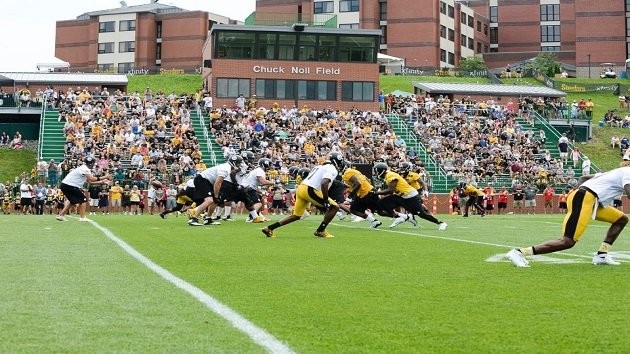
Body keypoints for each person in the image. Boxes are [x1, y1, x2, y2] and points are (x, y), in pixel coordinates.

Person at [506, 158, 630, 268]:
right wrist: (578, 194)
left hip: (590, 200)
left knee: (621, 219)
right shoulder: (627, 171)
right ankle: (519, 252)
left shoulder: (617, 172)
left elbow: (583, 178)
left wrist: (575, 192)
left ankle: (602, 255)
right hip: (586, 198)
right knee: (568, 241)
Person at [261, 153, 346, 238]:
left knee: (296, 215)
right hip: (311, 189)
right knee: (335, 207)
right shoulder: (332, 168)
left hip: (301, 188)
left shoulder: (320, 166)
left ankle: (269, 228)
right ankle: (320, 230)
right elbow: (324, 183)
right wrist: (325, 199)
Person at [373, 162, 447, 230]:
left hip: (411, 196)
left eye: (376, 171)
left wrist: (375, 193)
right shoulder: (389, 174)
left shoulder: (390, 175)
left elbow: (390, 190)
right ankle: (401, 217)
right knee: (380, 204)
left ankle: (440, 223)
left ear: (381, 171)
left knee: (421, 214)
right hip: (400, 196)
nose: (376, 173)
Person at [56, 156, 111, 222]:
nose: (94, 164)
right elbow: (92, 179)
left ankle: (61, 215)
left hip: (65, 185)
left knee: (72, 202)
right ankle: (82, 217)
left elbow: (90, 182)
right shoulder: (85, 169)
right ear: (90, 163)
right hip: (70, 185)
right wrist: (106, 177)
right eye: (93, 163)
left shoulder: (84, 168)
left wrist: (102, 182)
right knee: (84, 200)